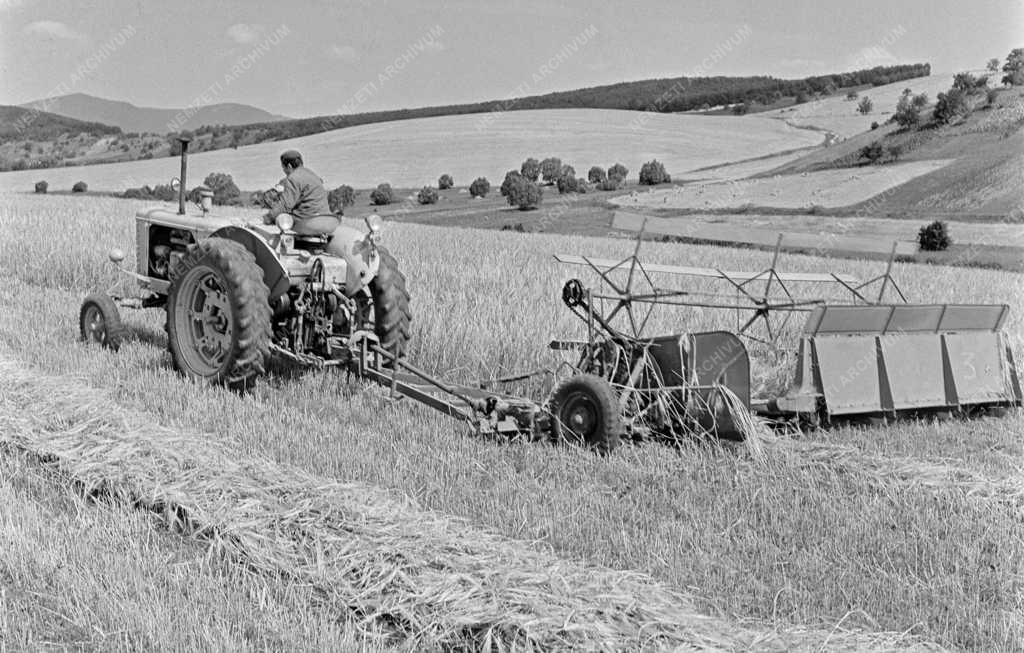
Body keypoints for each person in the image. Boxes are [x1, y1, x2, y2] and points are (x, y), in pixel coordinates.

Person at [262, 150, 332, 229]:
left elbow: (285, 206)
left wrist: (267, 218)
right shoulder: (312, 174)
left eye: (283, 168)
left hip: (307, 220)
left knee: (280, 220)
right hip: (325, 217)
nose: (284, 171)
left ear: (289, 166)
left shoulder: (293, 178)